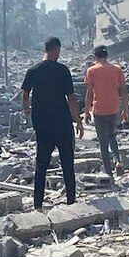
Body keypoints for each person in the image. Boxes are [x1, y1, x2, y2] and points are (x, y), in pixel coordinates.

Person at [21, 36, 82, 210]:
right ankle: (71, 202)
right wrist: (78, 120)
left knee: (41, 165)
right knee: (67, 163)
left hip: (42, 125)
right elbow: (71, 98)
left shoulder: (33, 70)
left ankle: (38, 204)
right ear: (55, 49)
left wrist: (27, 109)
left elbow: (25, 93)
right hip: (62, 123)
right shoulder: (62, 70)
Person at [84, 45, 127, 179]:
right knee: (112, 136)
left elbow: (89, 93)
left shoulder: (91, 70)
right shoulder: (117, 69)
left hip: (99, 110)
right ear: (106, 55)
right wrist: (125, 109)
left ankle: (108, 173)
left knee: (102, 142)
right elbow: (124, 90)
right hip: (113, 108)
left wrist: (86, 111)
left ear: (95, 56)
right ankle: (118, 160)